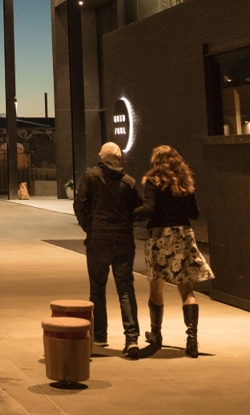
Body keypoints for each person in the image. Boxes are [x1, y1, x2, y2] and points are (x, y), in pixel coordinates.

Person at [136, 145, 214, 358]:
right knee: (186, 290)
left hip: (160, 236)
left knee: (156, 288)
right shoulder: (185, 183)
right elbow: (195, 214)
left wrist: (125, 213)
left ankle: (156, 334)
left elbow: (147, 210)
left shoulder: (153, 181)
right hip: (182, 235)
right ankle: (192, 340)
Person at [74, 141, 142, 357]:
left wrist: (89, 227)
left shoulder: (90, 176)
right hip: (123, 240)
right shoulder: (129, 182)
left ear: (100, 156)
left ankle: (100, 336)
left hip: (98, 240)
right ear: (119, 158)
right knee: (125, 289)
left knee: (97, 288)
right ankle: (131, 339)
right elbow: (139, 209)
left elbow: (79, 204)